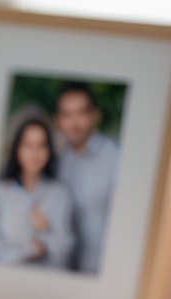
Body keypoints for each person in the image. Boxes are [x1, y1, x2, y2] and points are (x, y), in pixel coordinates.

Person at [0, 118, 74, 268]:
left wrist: (46, 230)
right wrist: (35, 249)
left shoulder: (59, 193)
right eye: (28, 145)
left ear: (49, 150)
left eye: (41, 146)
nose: (34, 153)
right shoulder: (0, 192)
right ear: (17, 148)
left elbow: (65, 247)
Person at [54, 82, 119, 273]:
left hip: (102, 269)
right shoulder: (59, 160)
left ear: (94, 115)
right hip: (66, 269)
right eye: (67, 114)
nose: (74, 122)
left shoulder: (116, 157)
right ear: (58, 120)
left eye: (81, 112)